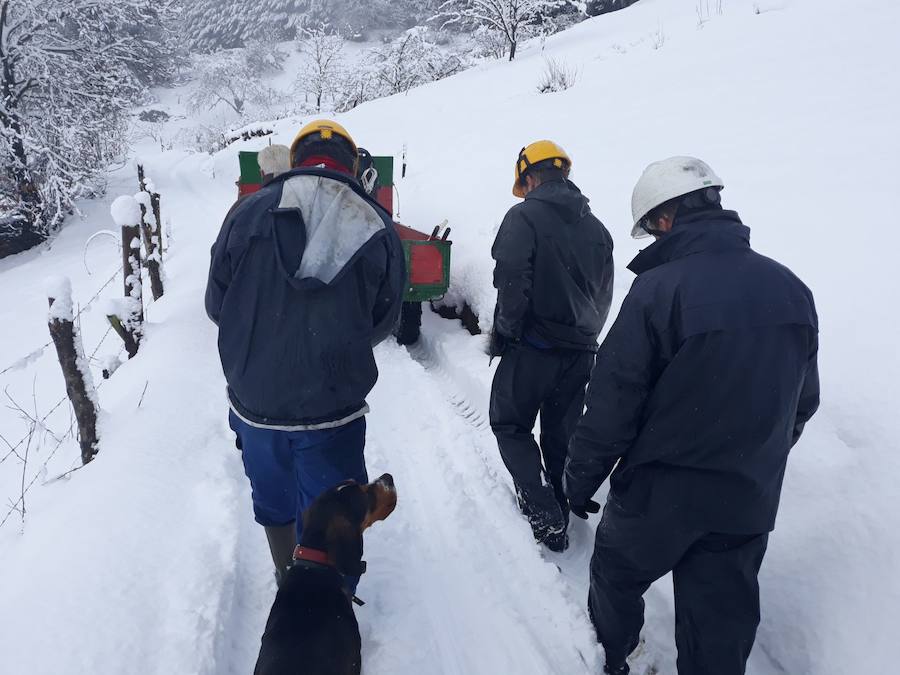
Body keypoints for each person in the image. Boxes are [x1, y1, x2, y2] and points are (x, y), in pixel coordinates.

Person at [563, 157, 820, 675]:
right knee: (720, 623)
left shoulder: (658, 290)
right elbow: (802, 403)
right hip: (746, 498)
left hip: (661, 494)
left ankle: (617, 659)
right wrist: (751, 458)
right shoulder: (791, 288)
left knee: (614, 575)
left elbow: (612, 402)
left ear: (663, 219)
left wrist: (579, 479)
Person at [205, 119, 406, 587]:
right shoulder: (376, 224)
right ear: (355, 165)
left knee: (274, 500)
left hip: (256, 407)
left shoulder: (247, 212)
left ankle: (286, 576)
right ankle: (330, 605)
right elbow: (383, 319)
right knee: (333, 514)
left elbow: (218, 306)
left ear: (295, 160)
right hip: (332, 411)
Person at [489, 141, 615, 552]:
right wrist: (586, 339)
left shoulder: (523, 216)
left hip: (533, 347)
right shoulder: (598, 229)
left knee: (510, 424)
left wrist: (506, 331)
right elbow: (603, 293)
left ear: (528, 177)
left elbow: (511, 279)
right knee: (561, 434)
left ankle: (544, 512)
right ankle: (562, 501)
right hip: (580, 351)